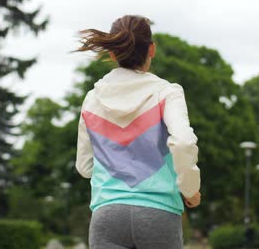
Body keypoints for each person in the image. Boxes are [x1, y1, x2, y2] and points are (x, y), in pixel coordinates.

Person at [74, 15, 201, 249]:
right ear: (151, 49)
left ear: (112, 54)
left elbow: (84, 167)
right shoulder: (166, 93)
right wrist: (190, 189)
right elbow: (182, 142)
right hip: (158, 215)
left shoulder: (93, 99)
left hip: (107, 216)